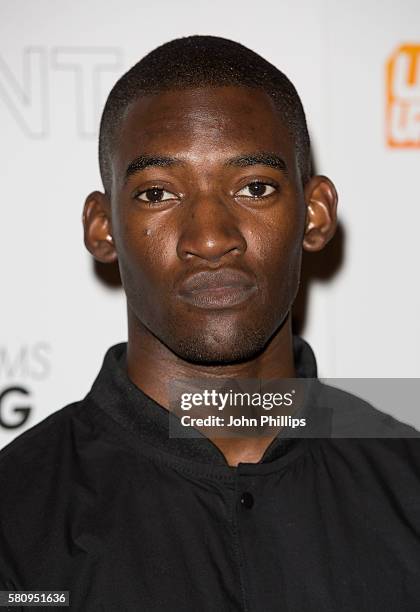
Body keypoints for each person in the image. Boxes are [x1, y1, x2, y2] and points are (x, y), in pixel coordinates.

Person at [0, 35, 419, 611]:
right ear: (102, 228)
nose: (211, 238)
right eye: (157, 193)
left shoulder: (409, 488)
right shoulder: (16, 517)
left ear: (315, 213)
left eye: (254, 187)